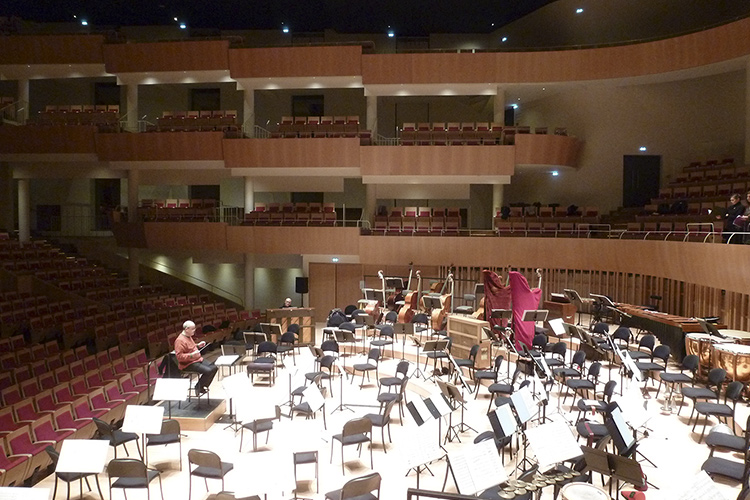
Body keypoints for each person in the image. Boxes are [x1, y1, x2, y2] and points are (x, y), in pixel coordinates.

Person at [174, 320, 217, 396]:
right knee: (209, 371)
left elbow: (190, 347)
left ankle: (202, 385)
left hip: (197, 360)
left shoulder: (188, 336)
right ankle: (198, 387)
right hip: (188, 364)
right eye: (193, 329)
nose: (194, 330)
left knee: (214, 367)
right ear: (187, 329)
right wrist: (191, 355)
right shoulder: (179, 340)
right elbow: (179, 357)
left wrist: (198, 345)